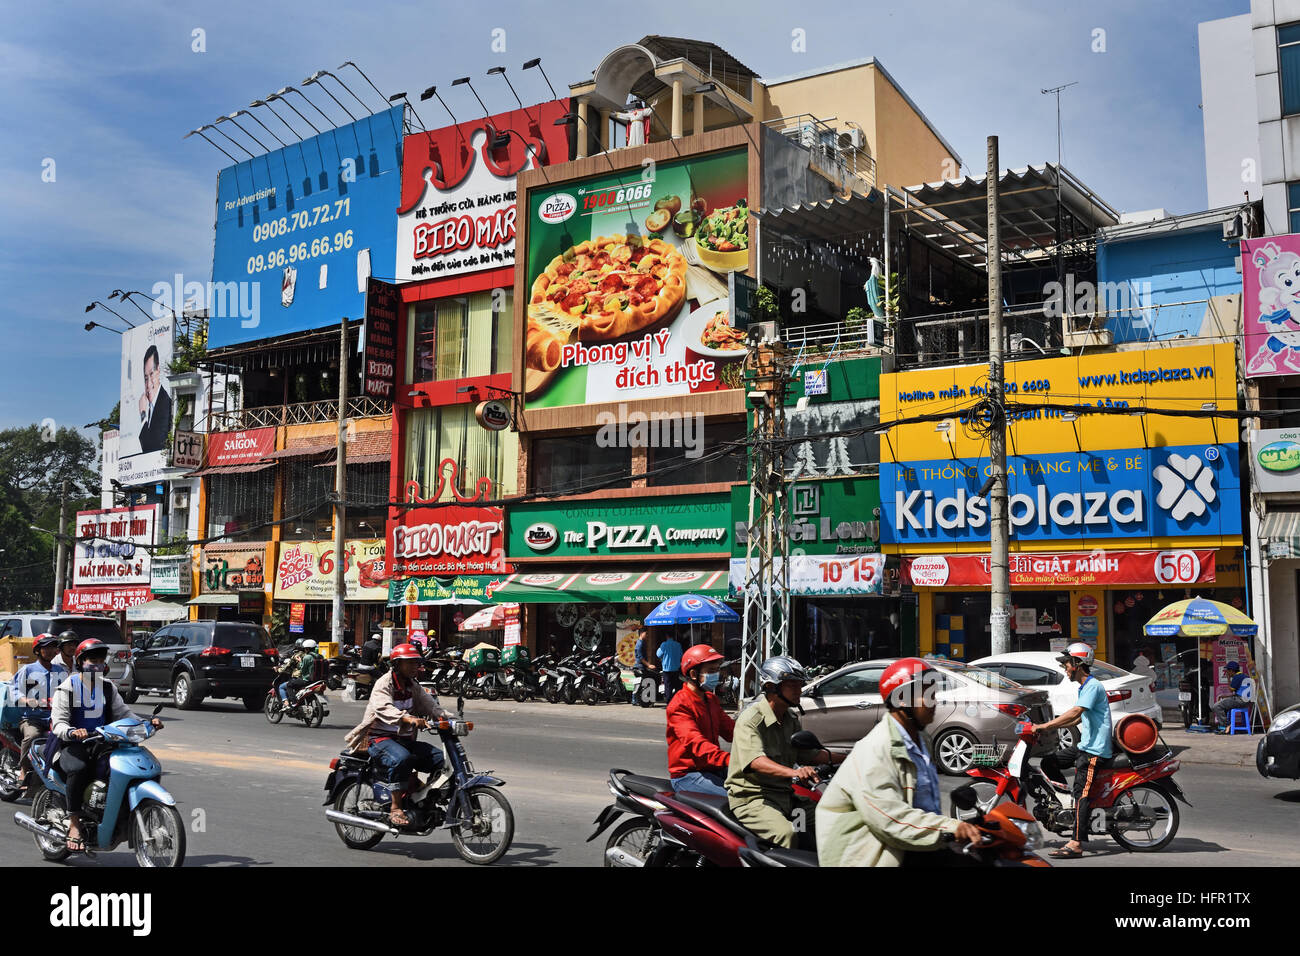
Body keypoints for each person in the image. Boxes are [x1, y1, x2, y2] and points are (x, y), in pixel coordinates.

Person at [817, 658, 981, 866]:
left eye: (934, 694)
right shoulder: (875, 749)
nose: (934, 702)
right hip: (871, 856)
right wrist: (950, 827)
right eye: (928, 695)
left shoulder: (922, 741)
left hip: (913, 846)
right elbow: (889, 819)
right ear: (902, 698)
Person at [50, 639, 161, 853]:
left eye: (101, 660)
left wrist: (146, 723)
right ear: (81, 661)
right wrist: (72, 731)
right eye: (93, 660)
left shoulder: (108, 688)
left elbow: (125, 714)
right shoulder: (67, 688)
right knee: (79, 769)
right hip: (74, 743)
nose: (98, 665)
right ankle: (74, 823)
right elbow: (59, 722)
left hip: (104, 742)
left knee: (125, 768)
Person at [725, 655, 842, 849]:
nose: (799, 690)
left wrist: (851, 757)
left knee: (832, 819)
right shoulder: (751, 720)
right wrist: (795, 772)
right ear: (772, 687)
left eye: (799, 684)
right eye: (792, 685)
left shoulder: (789, 718)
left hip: (786, 797)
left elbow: (807, 754)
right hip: (753, 800)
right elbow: (756, 761)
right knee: (787, 835)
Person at [343, 643, 453, 826]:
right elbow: (383, 707)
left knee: (441, 759)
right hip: (379, 739)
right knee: (402, 758)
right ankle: (395, 807)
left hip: (403, 739)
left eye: (415, 663)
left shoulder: (413, 686)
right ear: (397, 664)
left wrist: (450, 719)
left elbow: (430, 706)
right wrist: (407, 718)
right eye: (408, 663)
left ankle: (419, 796)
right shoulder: (384, 683)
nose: (414, 667)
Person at [1029, 642, 1113, 860]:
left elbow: (1076, 711)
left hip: (1094, 751)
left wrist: (1044, 726)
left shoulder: (1093, 686)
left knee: (1082, 793)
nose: (1065, 668)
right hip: (1084, 746)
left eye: (1066, 663)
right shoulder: (1084, 687)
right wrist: (1050, 728)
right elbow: (1076, 717)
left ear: (1078, 663)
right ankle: (1066, 803)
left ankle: (1076, 843)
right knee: (1049, 763)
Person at [666, 644, 734, 798]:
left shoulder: (711, 699)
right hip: (688, 775)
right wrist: (730, 759)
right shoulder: (679, 704)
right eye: (711, 671)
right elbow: (696, 744)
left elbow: (732, 731)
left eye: (717, 670)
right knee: (736, 802)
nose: (716, 675)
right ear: (693, 674)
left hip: (714, 768)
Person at [8, 634, 67, 789]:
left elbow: (69, 691)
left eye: (53, 647)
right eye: (46, 647)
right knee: (32, 736)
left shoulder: (60, 671)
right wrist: (27, 700)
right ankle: (23, 770)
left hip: (54, 717)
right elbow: (14, 690)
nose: (50, 650)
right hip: (31, 718)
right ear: (37, 651)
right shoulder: (28, 670)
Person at [137, 344, 173, 454]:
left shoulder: (165, 402)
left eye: (151, 374)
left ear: (158, 370)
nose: (148, 383)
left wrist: (143, 415)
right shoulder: (151, 405)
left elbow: (151, 446)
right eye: (145, 377)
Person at [1212, 662, 1249, 731]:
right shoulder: (1245, 676)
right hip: (1246, 701)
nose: (1227, 673)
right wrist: (1224, 696)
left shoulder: (1237, 677)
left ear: (1232, 671)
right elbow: (1237, 693)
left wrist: (1228, 679)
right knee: (1224, 706)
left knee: (1216, 706)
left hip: (1240, 700)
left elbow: (1231, 690)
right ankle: (1223, 726)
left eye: (1228, 671)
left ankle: (1226, 726)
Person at [656, 632, 683, 703]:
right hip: (676, 669)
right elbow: (681, 656)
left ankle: (669, 702)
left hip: (667, 669)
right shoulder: (678, 645)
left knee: (668, 687)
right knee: (677, 686)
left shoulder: (664, 644)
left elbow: (658, 654)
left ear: (666, 636)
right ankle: (676, 700)